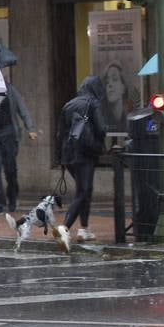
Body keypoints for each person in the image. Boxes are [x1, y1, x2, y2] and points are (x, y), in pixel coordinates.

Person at [57, 76, 107, 251]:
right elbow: (101, 128)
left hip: (69, 155)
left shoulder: (68, 104)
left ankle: (84, 229)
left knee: (84, 191)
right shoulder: (93, 103)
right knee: (83, 191)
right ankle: (64, 228)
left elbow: (60, 134)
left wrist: (60, 159)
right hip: (85, 154)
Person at [0, 79, 37, 216]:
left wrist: (30, 128)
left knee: (10, 169)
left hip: (8, 133)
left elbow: (22, 108)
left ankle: (12, 195)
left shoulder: (9, 89)